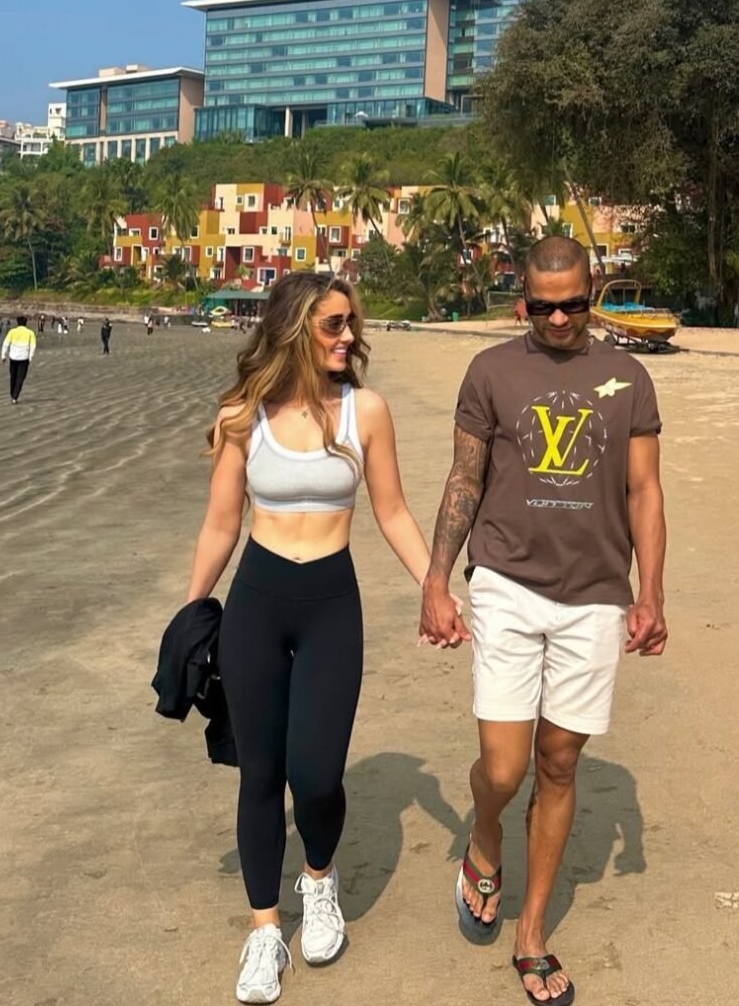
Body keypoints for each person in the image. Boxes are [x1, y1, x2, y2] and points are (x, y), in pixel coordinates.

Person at [419, 236, 668, 1006]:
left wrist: (652, 593)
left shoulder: (629, 378)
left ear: (593, 293)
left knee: (558, 763)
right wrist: (436, 578)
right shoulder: (490, 371)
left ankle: (530, 934)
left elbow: (644, 492)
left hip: (596, 593)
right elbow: (465, 478)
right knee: (503, 769)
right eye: (541, 306)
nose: (558, 319)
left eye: (573, 304)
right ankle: (486, 831)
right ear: (521, 299)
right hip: (506, 581)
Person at [184, 272, 441, 1005]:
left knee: (319, 775)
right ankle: (265, 929)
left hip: (332, 605)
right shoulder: (243, 415)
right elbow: (221, 524)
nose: (349, 336)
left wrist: (434, 587)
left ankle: (319, 881)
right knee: (261, 774)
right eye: (334, 324)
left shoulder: (367, 411)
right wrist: (190, 613)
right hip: (256, 606)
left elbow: (392, 511)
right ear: (296, 327)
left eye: (350, 323)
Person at [1, 315, 37, 404]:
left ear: (17, 323)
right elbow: (33, 346)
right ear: (25, 323)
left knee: (13, 377)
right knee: (20, 378)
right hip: (24, 358)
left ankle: (12, 394)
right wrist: (30, 357)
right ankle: (15, 397)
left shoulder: (12, 332)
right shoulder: (30, 333)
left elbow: (5, 344)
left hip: (13, 358)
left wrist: (3, 356)